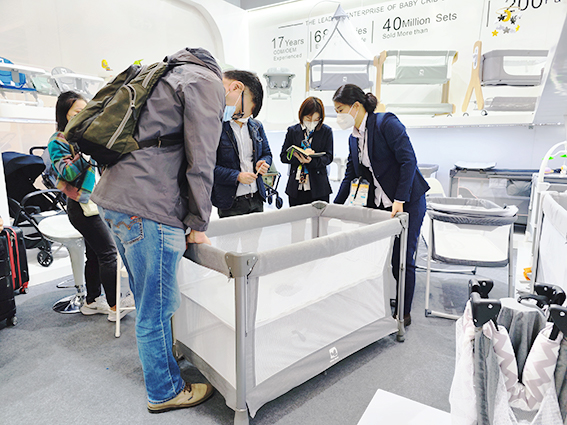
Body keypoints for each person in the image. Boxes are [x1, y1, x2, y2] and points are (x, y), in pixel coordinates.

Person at [90, 47, 225, 413]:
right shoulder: (205, 82)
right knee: (156, 307)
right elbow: (202, 159)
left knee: (147, 297)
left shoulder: (163, 72)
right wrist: (198, 223)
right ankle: (164, 391)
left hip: (114, 198)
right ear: (235, 86)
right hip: (150, 205)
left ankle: (163, 366)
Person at [332, 84, 429, 327]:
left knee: (402, 258)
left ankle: (403, 313)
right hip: (380, 204)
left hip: (407, 201)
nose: (338, 116)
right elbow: (351, 175)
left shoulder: (386, 123)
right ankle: (378, 303)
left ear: (356, 106)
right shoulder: (354, 139)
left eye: (340, 110)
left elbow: (409, 161)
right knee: (377, 257)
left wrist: (400, 199)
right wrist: (333, 208)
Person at [47, 91, 132, 322]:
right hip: (81, 206)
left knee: (94, 254)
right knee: (108, 253)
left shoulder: (85, 138)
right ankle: (114, 307)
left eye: (86, 110)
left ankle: (92, 301)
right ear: (65, 115)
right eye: (77, 111)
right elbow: (66, 173)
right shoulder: (59, 140)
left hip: (97, 202)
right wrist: (85, 154)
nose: (83, 115)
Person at [212, 70, 272, 218]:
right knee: (230, 234)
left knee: (256, 233)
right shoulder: (217, 127)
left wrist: (263, 163)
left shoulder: (256, 126)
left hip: (256, 197)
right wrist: (237, 176)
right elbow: (209, 167)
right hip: (230, 202)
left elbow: (267, 154)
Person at [280, 97, 333, 206]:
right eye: (308, 118)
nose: (311, 122)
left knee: (320, 216)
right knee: (296, 216)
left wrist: (311, 161)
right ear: (302, 115)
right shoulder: (293, 131)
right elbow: (283, 156)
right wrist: (298, 158)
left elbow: (328, 157)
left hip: (319, 187)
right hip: (296, 187)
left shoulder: (326, 131)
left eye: (316, 119)